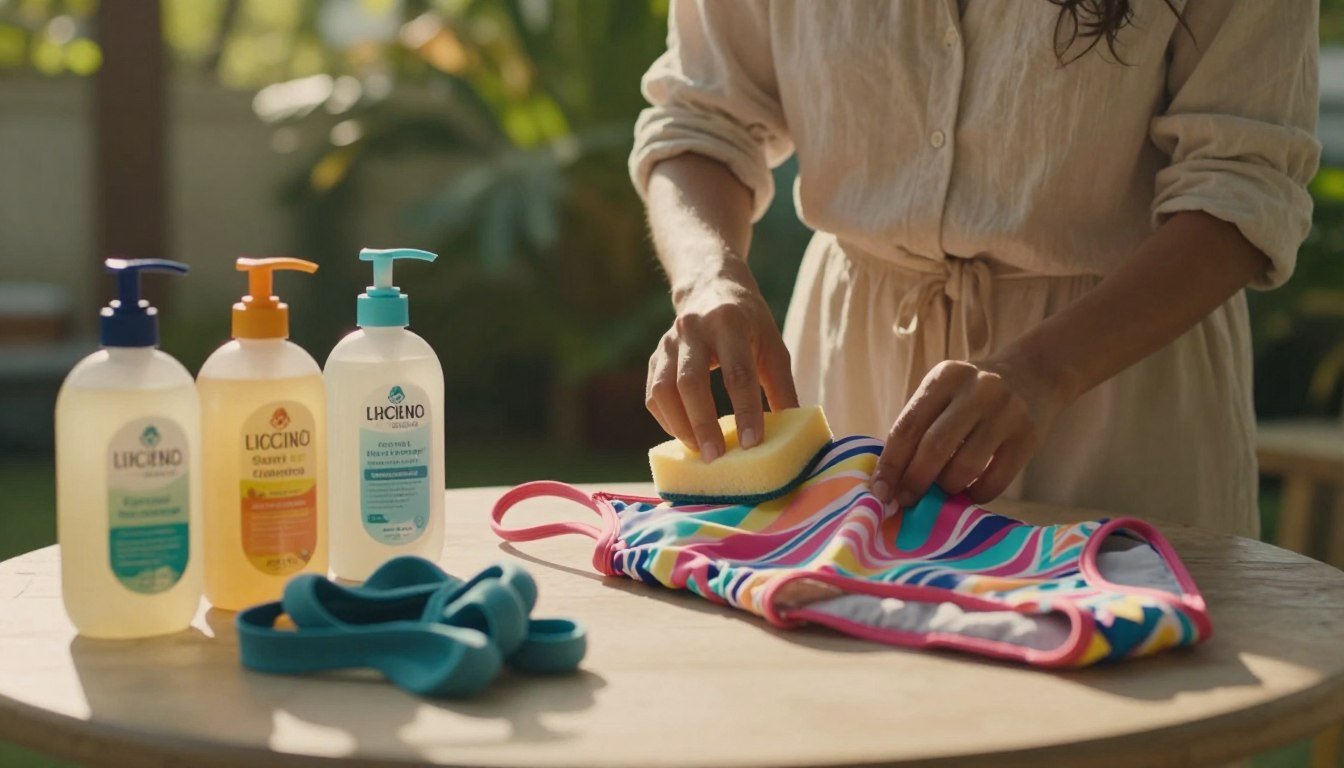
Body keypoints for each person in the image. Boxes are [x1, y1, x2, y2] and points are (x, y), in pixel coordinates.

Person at [631, 0, 1320, 536]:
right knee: (851, 700)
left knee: (1117, 691)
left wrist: (1046, 370)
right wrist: (708, 276)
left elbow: (1242, 187)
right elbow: (700, 116)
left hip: (1115, 390)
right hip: (851, 378)